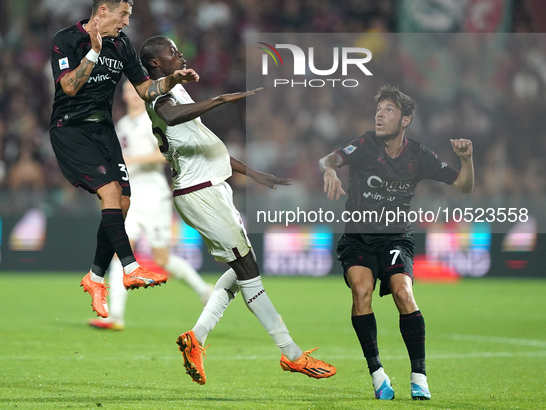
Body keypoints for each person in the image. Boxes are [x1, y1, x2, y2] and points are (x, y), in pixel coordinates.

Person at [139, 35, 337, 385]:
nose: (180, 53)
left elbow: (202, 145)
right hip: (200, 193)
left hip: (212, 187)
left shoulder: (176, 91)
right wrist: (218, 100)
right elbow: (169, 117)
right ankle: (291, 353)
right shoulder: (157, 95)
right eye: (171, 52)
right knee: (248, 271)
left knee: (244, 267)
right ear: (155, 63)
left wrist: (254, 173)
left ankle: (196, 338)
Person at [49, 0, 198, 318]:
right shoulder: (65, 39)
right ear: (102, 11)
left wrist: (173, 79)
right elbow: (69, 87)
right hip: (71, 127)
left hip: (104, 130)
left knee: (124, 202)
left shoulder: (122, 45)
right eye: (123, 15)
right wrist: (93, 53)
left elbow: (145, 89)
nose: (127, 23)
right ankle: (131, 268)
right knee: (112, 191)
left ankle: (95, 277)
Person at [319, 85, 474, 401]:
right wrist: (331, 171)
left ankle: (419, 376)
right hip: (358, 238)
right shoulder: (365, 145)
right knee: (362, 292)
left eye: (388, 110)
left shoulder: (419, 156)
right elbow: (329, 158)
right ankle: (378, 375)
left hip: (395, 237)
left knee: (403, 293)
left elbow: (464, 185)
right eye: (378, 110)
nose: (380, 115)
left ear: (406, 120)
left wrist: (468, 160)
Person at [88, 81, 213, 331]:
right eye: (128, 91)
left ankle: (204, 291)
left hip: (155, 196)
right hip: (131, 197)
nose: (132, 95)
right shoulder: (122, 125)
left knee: (162, 258)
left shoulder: (152, 120)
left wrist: (133, 159)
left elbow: (165, 154)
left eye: (136, 91)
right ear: (123, 95)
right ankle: (115, 316)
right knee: (118, 252)